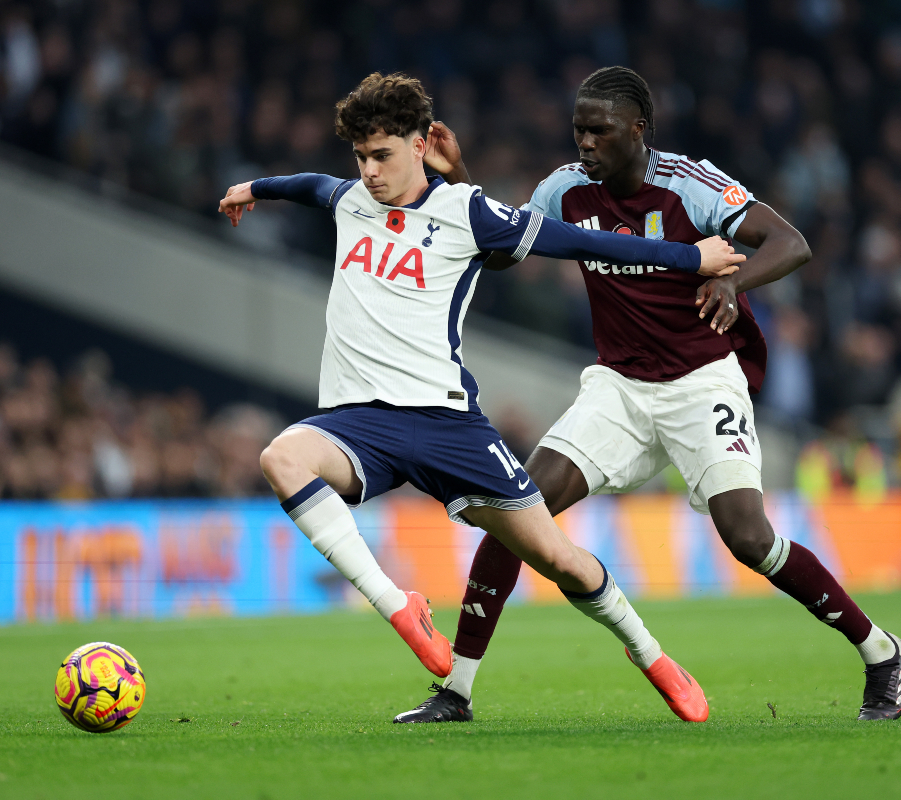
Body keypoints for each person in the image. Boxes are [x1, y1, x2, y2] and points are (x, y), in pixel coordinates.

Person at [219, 72, 745, 719]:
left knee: (556, 558)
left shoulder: (468, 213)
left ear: (421, 144)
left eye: (382, 155)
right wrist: (254, 189)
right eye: (360, 156)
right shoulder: (351, 200)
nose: (369, 171)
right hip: (359, 423)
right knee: (281, 458)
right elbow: (307, 185)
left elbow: (579, 240)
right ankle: (401, 610)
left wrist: (692, 261)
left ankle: (653, 657)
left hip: (450, 427)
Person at [396, 67, 901, 724]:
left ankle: (881, 652)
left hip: (701, 382)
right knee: (515, 508)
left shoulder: (690, 186)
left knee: (748, 538)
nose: (584, 142)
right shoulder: (564, 189)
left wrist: (735, 282)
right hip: (620, 387)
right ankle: (457, 691)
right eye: (579, 129)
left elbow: (792, 243)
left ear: (638, 131)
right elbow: (504, 251)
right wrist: (463, 179)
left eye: (599, 131)